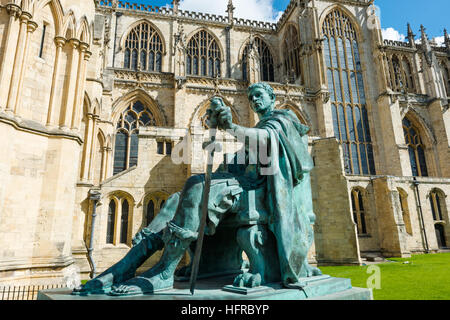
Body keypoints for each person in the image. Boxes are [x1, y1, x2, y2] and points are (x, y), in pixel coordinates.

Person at [73, 82, 321, 297]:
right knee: (174, 200)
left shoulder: (283, 120)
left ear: (272, 99)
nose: (254, 100)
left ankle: (163, 272)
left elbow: (265, 142)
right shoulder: (261, 126)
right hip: (245, 188)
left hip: (263, 193)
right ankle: (126, 266)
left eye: (259, 95)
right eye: (251, 97)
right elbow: (243, 160)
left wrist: (231, 128)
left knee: (196, 185)